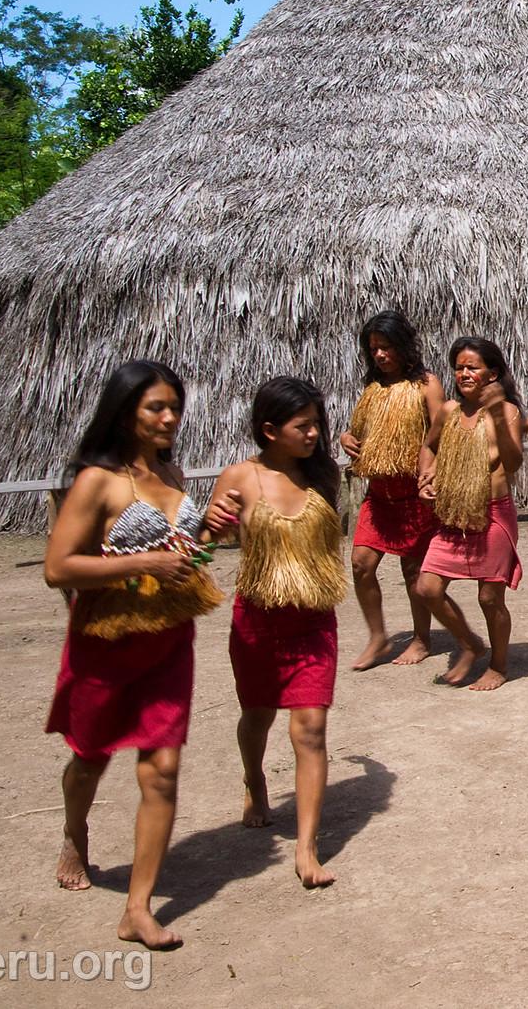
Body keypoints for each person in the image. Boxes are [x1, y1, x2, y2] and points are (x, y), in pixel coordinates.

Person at [43, 360, 232, 949]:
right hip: (106, 643)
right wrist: (142, 563)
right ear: (125, 412)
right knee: (91, 757)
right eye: (157, 407)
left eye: (175, 406)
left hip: (169, 639)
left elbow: (182, 561)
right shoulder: (97, 482)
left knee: (162, 770)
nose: (170, 417)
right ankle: (76, 831)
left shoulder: (172, 473)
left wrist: (211, 536)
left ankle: (138, 907)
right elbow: (58, 568)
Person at [204, 377, 347, 888]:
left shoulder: (323, 478)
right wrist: (211, 524)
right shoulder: (239, 476)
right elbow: (204, 542)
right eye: (301, 425)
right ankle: (255, 779)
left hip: (313, 622)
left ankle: (307, 847)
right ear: (269, 430)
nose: (313, 434)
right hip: (257, 622)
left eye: (317, 424)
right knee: (257, 716)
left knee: (308, 730)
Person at [340, 311, 466, 669]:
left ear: (404, 346)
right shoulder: (372, 391)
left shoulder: (427, 384)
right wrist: (347, 437)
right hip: (379, 495)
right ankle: (378, 638)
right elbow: (358, 431)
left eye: (387, 347)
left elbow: (445, 434)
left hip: (415, 494)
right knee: (361, 564)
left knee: (414, 571)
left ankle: (422, 639)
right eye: (374, 349)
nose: (380, 355)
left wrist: (436, 474)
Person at [416, 338, 525, 690]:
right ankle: (469, 642)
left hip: (493, 513)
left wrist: (493, 412)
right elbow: (429, 445)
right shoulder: (448, 411)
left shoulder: (508, 412)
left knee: (489, 597)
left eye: (472, 367)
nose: (464, 373)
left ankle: (499, 664)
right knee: (428, 588)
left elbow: (512, 464)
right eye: (459, 367)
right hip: (454, 515)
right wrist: (425, 476)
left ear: (492, 374)